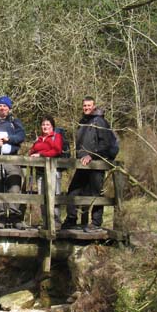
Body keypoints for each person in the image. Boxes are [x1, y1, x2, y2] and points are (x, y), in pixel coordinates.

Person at [62, 96, 115, 232]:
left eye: (89, 105)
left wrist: (91, 155)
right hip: (82, 164)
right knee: (73, 191)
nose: (86, 108)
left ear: (94, 106)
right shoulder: (83, 122)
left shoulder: (100, 122)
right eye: (84, 105)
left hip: (96, 164)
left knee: (96, 193)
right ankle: (71, 219)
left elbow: (106, 143)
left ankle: (96, 223)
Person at [0, 95, 26, 229]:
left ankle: (15, 217)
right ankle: (1, 217)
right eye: (0, 106)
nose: (2, 108)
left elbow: (21, 136)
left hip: (12, 158)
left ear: (9, 109)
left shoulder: (15, 122)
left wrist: (9, 139)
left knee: (14, 186)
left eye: (5, 106)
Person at [29, 115, 63, 228]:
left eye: (47, 124)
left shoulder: (56, 137)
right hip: (40, 171)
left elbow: (56, 151)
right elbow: (31, 151)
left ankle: (56, 222)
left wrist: (41, 154)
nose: (45, 127)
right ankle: (46, 222)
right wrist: (34, 155)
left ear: (52, 126)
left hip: (53, 171)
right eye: (43, 124)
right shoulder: (38, 139)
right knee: (42, 196)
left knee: (54, 195)